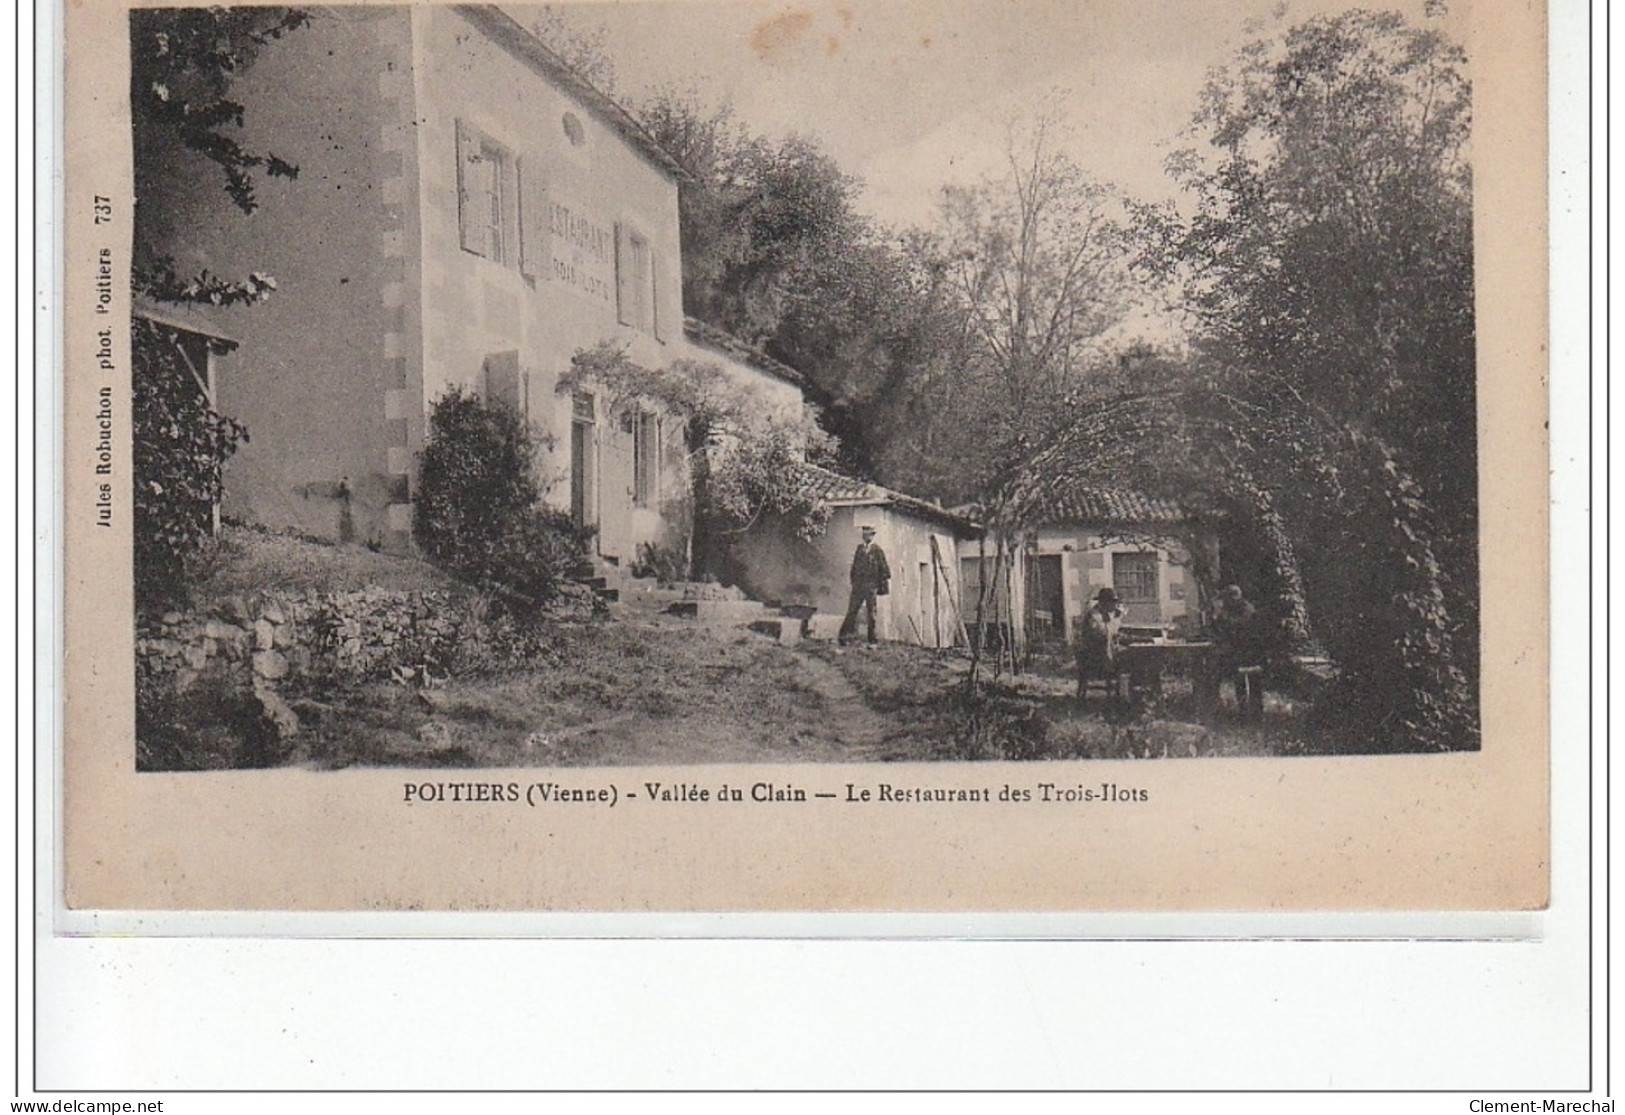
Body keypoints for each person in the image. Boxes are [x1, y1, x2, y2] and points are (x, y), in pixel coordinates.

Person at [1211, 584, 1264, 720]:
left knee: (1252, 682)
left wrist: (1222, 616)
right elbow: (1223, 629)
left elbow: (1238, 626)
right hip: (1241, 651)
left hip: (1252, 653)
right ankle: (1243, 710)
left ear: (1234, 597)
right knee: (1238, 679)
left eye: (1227, 599)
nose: (1225, 603)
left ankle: (1255, 713)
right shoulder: (1235, 608)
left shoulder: (1247, 609)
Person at [837, 524, 890, 646]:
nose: (867, 537)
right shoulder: (859, 549)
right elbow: (854, 568)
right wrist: (854, 582)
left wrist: (877, 586)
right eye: (865, 534)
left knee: (871, 613)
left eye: (869, 534)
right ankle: (844, 637)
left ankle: (872, 640)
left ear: (873, 536)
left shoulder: (877, 551)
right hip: (858, 587)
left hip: (871, 587)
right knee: (852, 611)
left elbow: (885, 570)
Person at [1076, 586, 1125, 705]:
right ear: (1103, 603)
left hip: (1102, 652)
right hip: (1092, 657)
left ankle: (1126, 695)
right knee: (1126, 661)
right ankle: (1123, 699)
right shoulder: (1094, 615)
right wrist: (1115, 622)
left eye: (1115, 603)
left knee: (1126, 656)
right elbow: (1102, 632)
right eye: (1112, 603)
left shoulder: (1106, 614)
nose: (1114, 606)